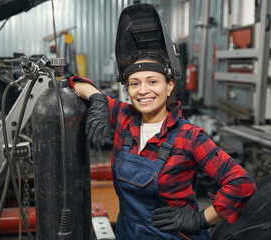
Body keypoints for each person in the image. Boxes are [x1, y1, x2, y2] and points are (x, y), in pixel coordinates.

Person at [69, 3, 257, 240]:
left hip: (173, 235)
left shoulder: (188, 136)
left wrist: (199, 219)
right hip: (129, 232)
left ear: (169, 86)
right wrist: (97, 98)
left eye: (152, 82)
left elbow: (241, 184)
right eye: (134, 83)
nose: (143, 91)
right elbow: (75, 82)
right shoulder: (124, 117)